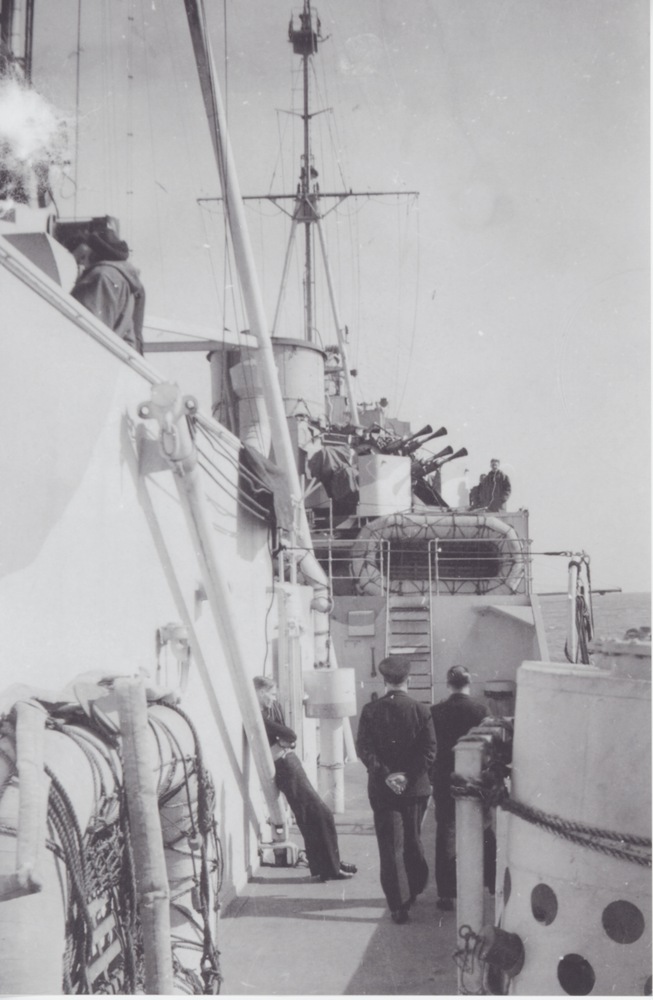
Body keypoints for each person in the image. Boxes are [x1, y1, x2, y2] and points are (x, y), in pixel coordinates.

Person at [356, 656, 436, 924]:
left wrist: (388, 775)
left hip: (383, 789)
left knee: (391, 848)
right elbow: (429, 752)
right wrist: (407, 776)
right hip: (414, 790)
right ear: (408, 680)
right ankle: (414, 890)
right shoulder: (422, 711)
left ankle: (398, 907)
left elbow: (364, 750)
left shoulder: (370, 711)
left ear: (384, 680)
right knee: (413, 840)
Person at [253, 676, 356, 882]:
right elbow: (290, 734)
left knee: (311, 816)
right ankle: (331, 868)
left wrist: (285, 741)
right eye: (271, 695)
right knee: (320, 814)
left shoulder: (268, 713)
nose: (273, 700)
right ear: (260, 692)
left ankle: (329, 864)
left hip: (289, 762)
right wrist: (285, 741)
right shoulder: (259, 717)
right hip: (285, 767)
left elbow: (288, 738)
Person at [430, 665, 489, 910]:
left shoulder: (435, 711)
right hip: (474, 780)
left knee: (446, 832)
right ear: (469, 683)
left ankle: (446, 894)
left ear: (448, 684)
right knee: (481, 829)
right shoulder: (480, 710)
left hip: (445, 780)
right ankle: (485, 884)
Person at [71, 228, 145, 354]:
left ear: (94, 253)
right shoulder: (125, 281)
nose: (80, 264)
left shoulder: (101, 278)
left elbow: (88, 330)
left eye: (82, 258)